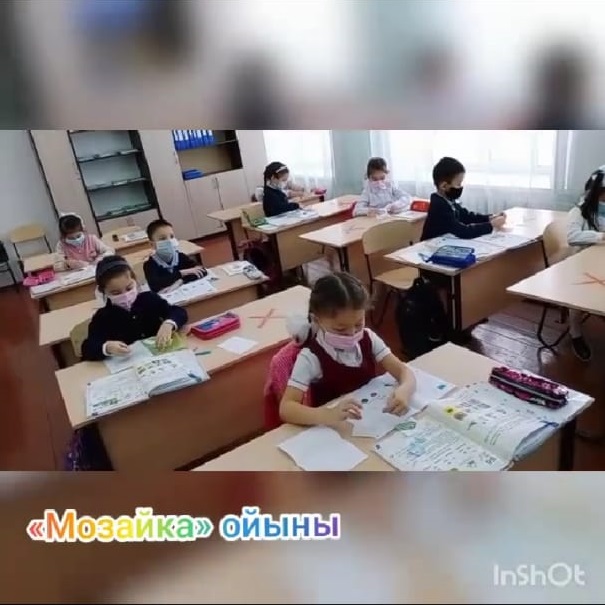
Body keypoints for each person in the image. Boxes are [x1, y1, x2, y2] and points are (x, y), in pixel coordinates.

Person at [279, 272, 416, 426]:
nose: (352, 334)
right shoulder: (311, 357)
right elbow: (286, 408)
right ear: (317, 320)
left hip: (368, 419)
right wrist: (327, 414)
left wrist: (404, 390)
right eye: (340, 329)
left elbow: (404, 371)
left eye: (358, 324)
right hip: (336, 429)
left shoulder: (368, 338)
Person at [81, 255, 188, 361]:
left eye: (129, 288)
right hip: (128, 364)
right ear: (103, 292)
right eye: (116, 293)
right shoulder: (103, 317)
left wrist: (169, 323)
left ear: (135, 281)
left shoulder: (149, 299)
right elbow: (88, 348)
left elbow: (178, 312)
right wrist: (107, 347)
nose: (125, 295)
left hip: (161, 358)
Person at [566, 167, 605, 361]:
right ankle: (575, 332)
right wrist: (600, 236)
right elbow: (572, 237)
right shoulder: (579, 211)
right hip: (580, 264)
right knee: (578, 295)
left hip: (601, 260)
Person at [421, 157, 506, 241]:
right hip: (430, 246)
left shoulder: (449, 200)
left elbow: (467, 216)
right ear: (444, 186)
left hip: (444, 241)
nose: (461, 187)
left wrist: (490, 217)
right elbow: (463, 231)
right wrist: (491, 225)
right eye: (458, 184)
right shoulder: (439, 206)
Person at [143, 219, 206, 292]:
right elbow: (155, 284)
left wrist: (180, 282)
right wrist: (182, 273)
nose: (169, 241)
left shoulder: (180, 256)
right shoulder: (149, 264)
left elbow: (201, 270)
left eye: (172, 236)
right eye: (162, 238)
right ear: (152, 244)